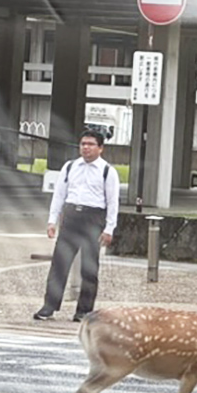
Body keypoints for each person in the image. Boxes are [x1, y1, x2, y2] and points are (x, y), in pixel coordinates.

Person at [33, 128, 120, 322]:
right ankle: (49, 306)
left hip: (94, 218)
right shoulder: (70, 167)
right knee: (59, 264)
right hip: (71, 216)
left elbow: (113, 202)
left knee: (89, 268)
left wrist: (109, 228)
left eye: (90, 144)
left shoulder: (107, 171)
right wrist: (52, 220)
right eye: (83, 144)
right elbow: (59, 195)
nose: (86, 148)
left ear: (100, 148)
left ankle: (84, 311)